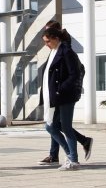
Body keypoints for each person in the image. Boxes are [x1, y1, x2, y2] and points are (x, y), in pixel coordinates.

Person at [37, 20, 92, 165]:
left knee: (65, 127)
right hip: (55, 96)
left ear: (55, 37)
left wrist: (60, 89)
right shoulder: (55, 50)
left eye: (47, 41)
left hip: (64, 96)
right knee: (51, 126)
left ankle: (72, 158)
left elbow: (74, 74)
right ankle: (68, 153)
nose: (46, 44)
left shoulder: (66, 50)